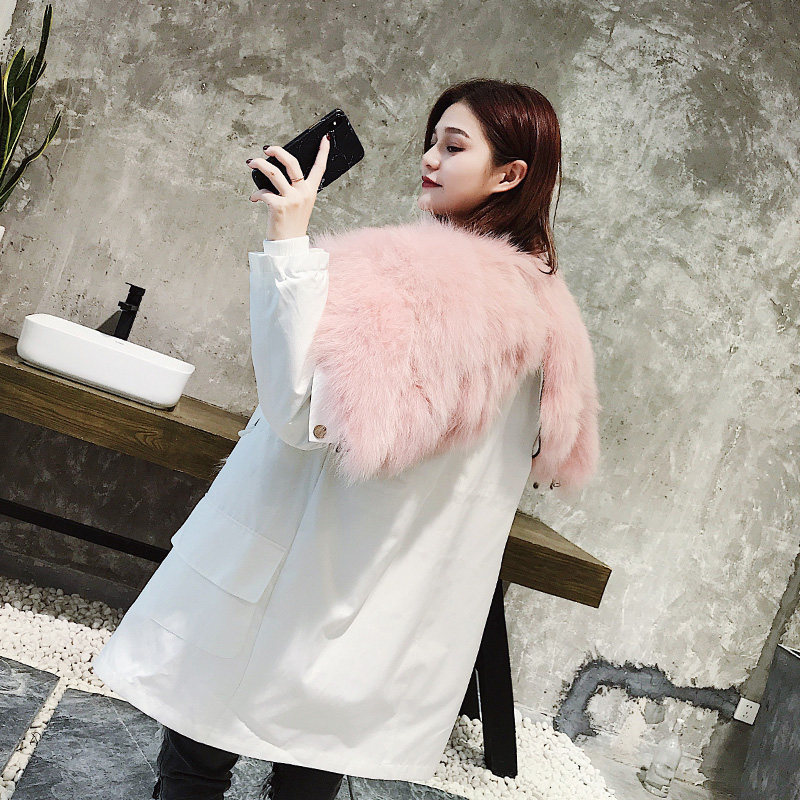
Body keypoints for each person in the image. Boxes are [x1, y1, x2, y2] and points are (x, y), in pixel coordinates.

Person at [91, 78, 599, 800]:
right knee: (312, 750)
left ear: (510, 174)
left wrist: (288, 243)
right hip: (377, 594)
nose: (429, 158)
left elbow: (307, 414)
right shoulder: (545, 308)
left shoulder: (430, 283)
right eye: (432, 140)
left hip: (302, 562)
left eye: (454, 146)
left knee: (205, 728)